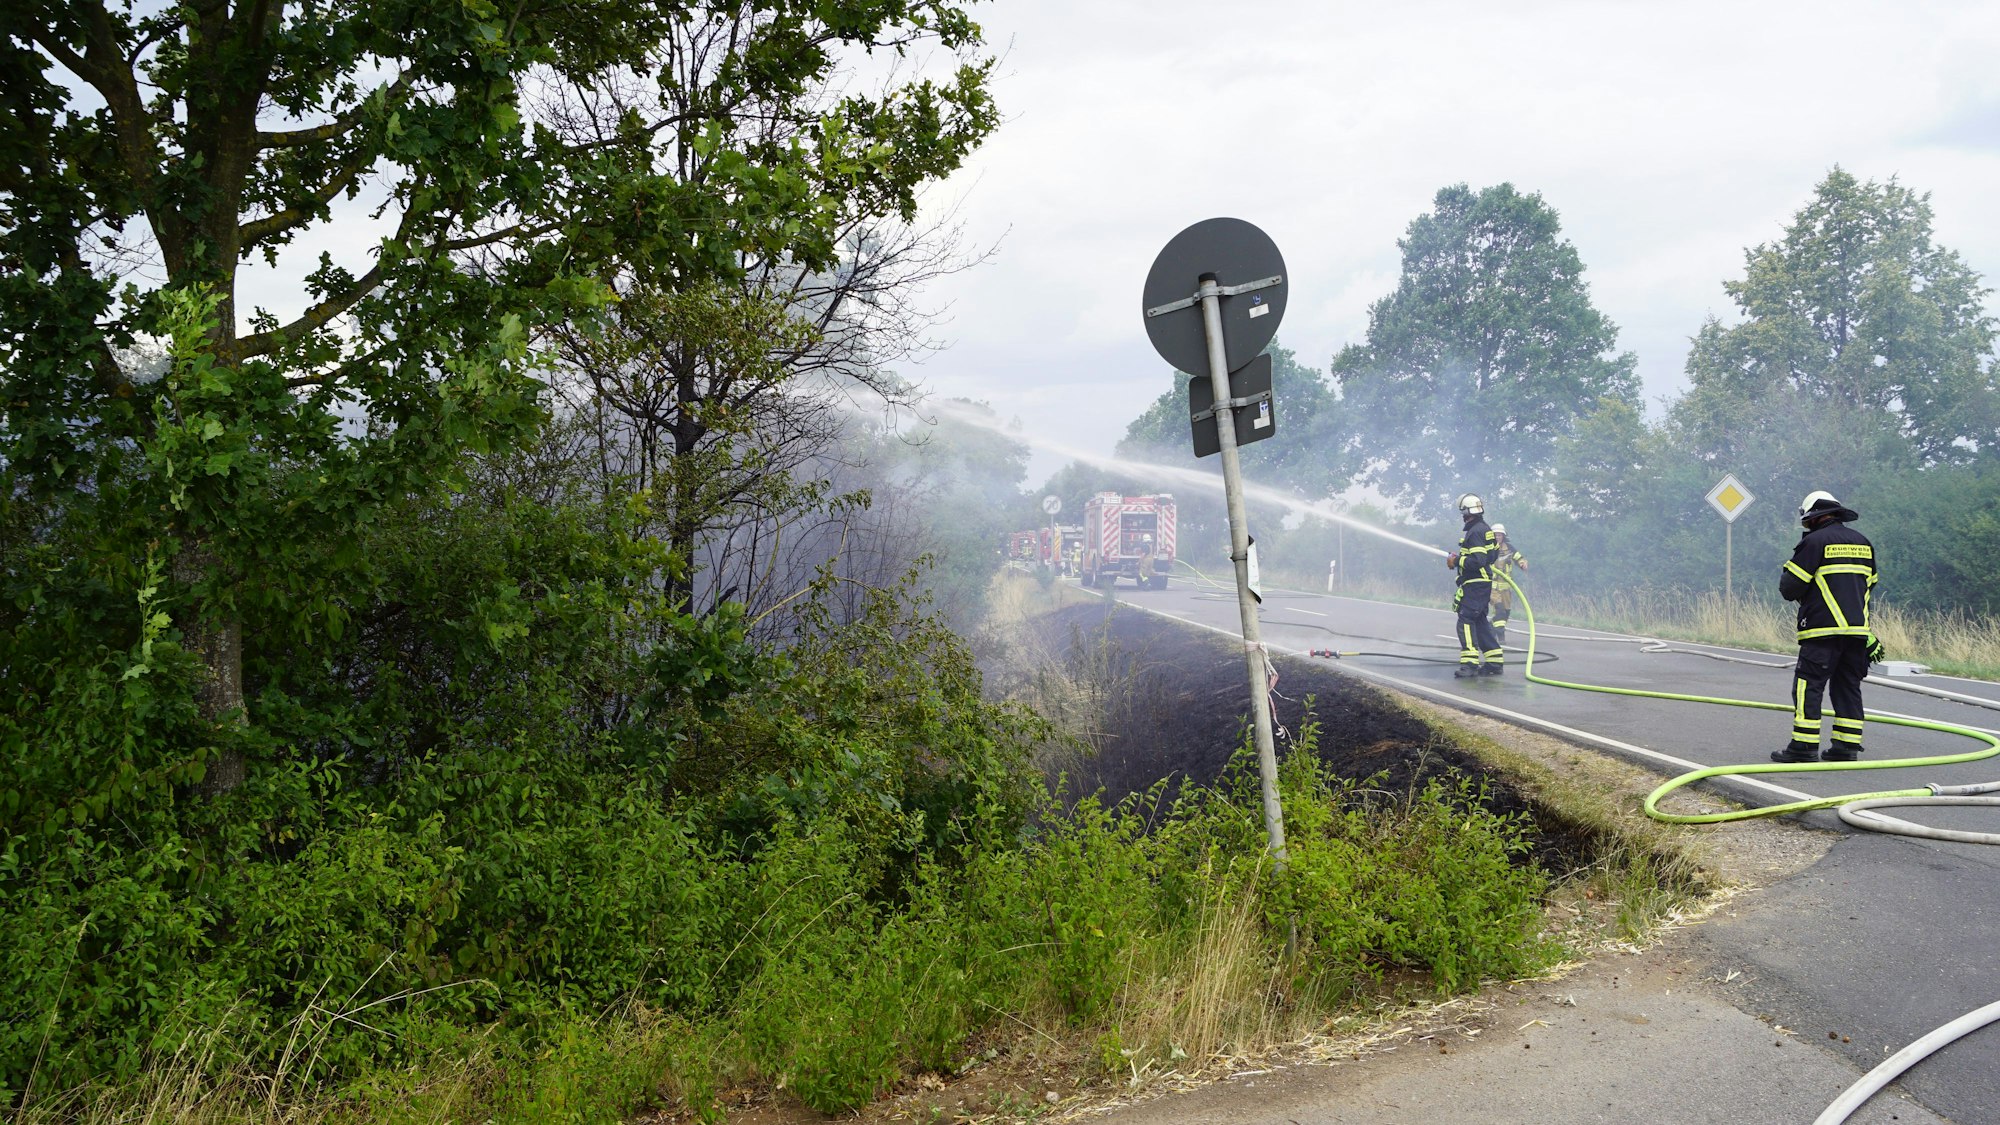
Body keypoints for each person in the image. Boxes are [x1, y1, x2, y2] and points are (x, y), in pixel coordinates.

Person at [1771, 491, 1882, 763]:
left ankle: (1803, 747)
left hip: (1822, 631)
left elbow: (1789, 587)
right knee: (1847, 687)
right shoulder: (1863, 543)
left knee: (1808, 687)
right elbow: (1871, 583)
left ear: (1812, 518)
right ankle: (1846, 747)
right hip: (1857, 633)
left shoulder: (1815, 542)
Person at [1445, 494, 1504, 678]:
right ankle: (1494, 662)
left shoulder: (1475, 532)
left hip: (1475, 584)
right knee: (1479, 622)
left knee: (1466, 620)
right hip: (1481, 584)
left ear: (1466, 511)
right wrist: (1459, 559)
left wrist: (1456, 561)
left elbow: (1478, 560)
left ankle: (1470, 664)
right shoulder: (1485, 529)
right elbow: (1491, 556)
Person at [1489, 523, 1528, 648]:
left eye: (1499, 535)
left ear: (1503, 536)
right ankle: (1501, 636)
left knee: (1505, 613)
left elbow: (1519, 558)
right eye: (1495, 535)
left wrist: (1522, 564)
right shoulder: (1487, 548)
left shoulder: (1509, 548)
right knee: (1499, 611)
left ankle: (1490, 630)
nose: (1497, 537)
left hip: (1506, 588)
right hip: (1492, 587)